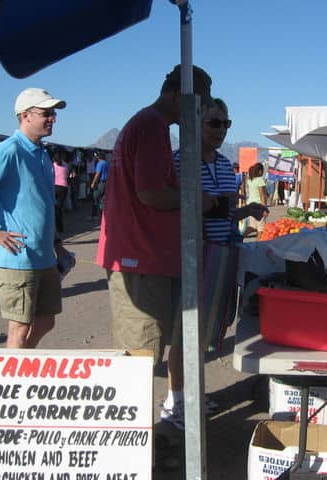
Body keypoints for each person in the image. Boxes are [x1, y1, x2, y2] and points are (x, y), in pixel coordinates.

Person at [96, 65, 213, 431]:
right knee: (140, 355)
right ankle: (127, 442)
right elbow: (151, 194)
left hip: (147, 258)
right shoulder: (151, 127)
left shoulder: (150, 125)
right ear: (178, 95)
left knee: (150, 348)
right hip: (138, 258)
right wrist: (197, 200)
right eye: (198, 105)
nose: (198, 114)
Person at [168, 98, 267, 429]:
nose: (221, 130)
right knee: (185, 333)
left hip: (222, 254)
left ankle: (191, 394)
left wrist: (245, 212)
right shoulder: (180, 162)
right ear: (195, 125)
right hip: (191, 257)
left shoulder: (225, 166)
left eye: (225, 124)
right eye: (214, 123)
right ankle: (175, 400)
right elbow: (182, 210)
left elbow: (221, 212)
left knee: (206, 333)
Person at [0, 87, 72, 348]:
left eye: (53, 113)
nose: (52, 118)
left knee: (46, 321)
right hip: (17, 257)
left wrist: (55, 242)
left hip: (43, 256)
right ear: (25, 115)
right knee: (19, 327)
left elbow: (39, 202)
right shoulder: (8, 151)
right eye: (46, 113)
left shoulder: (42, 153)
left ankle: (21, 368)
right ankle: (15, 382)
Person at [245, 162, 268, 238]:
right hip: (258, 206)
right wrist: (264, 208)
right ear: (260, 171)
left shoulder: (250, 180)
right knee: (261, 229)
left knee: (253, 226)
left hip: (250, 205)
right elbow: (262, 195)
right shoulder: (260, 180)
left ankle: (239, 236)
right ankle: (258, 247)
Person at [52, 148, 70, 234]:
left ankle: (54, 226)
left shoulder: (52, 165)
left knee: (54, 207)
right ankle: (60, 226)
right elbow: (67, 176)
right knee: (59, 208)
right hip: (63, 187)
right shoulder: (66, 165)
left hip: (54, 187)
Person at [90, 152, 109, 221]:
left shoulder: (100, 163)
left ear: (98, 157)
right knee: (103, 200)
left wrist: (93, 183)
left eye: (96, 157)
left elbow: (97, 174)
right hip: (106, 183)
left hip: (100, 183)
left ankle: (94, 216)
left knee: (95, 198)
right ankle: (103, 217)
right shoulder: (107, 163)